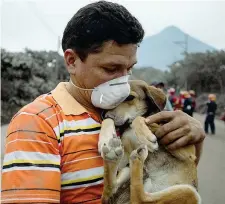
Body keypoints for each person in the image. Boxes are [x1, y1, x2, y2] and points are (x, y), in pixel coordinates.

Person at [1, 1, 205, 203]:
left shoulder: (132, 111)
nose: (123, 83)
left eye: (129, 69)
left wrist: (193, 139)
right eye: (111, 69)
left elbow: (169, 178)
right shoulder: (38, 123)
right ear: (72, 61)